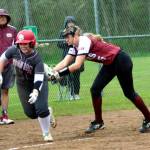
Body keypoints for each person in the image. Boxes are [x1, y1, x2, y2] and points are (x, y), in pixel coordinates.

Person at [49, 26, 150, 133]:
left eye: (67, 36)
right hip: (109, 64)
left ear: (75, 36)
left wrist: (59, 74)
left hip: (121, 60)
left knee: (129, 93)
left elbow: (77, 65)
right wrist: (51, 72)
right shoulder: (74, 47)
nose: (66, 39)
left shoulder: (83, 41)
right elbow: (65, 62)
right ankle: (98, 122)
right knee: (95, 90)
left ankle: (149, 119)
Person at [0, 30, 56, 142]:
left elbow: (39, 78)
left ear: (32, 43)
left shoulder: (36, 58)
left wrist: (35, 92)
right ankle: (48, 113)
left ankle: (46, 133)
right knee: (30, 113)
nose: (23, 46)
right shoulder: (13, 50)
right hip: (22, 84)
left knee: (41, 109)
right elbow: (2, 59)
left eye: (26, 43)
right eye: (21, 43)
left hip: (38, 83)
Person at [57, 16, 84, 100]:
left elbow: (81, 42)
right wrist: (68, 43)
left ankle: (75, 93)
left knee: (76, 76)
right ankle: (69, 91)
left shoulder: (77, 32)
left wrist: (74, 42)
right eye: (69, 23)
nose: (70, 24)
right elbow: (59, 44)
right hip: (67, 56)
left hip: (77, 56)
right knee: (67, 75)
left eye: (72, 22)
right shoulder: (63, 32)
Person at [0, 9, 17, 124]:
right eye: (0, 17)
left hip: (8, 65)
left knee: (5, 91)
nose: (2, 18)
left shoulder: (13, 30)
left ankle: (5, 115)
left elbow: (17, 47)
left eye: (4, 16)